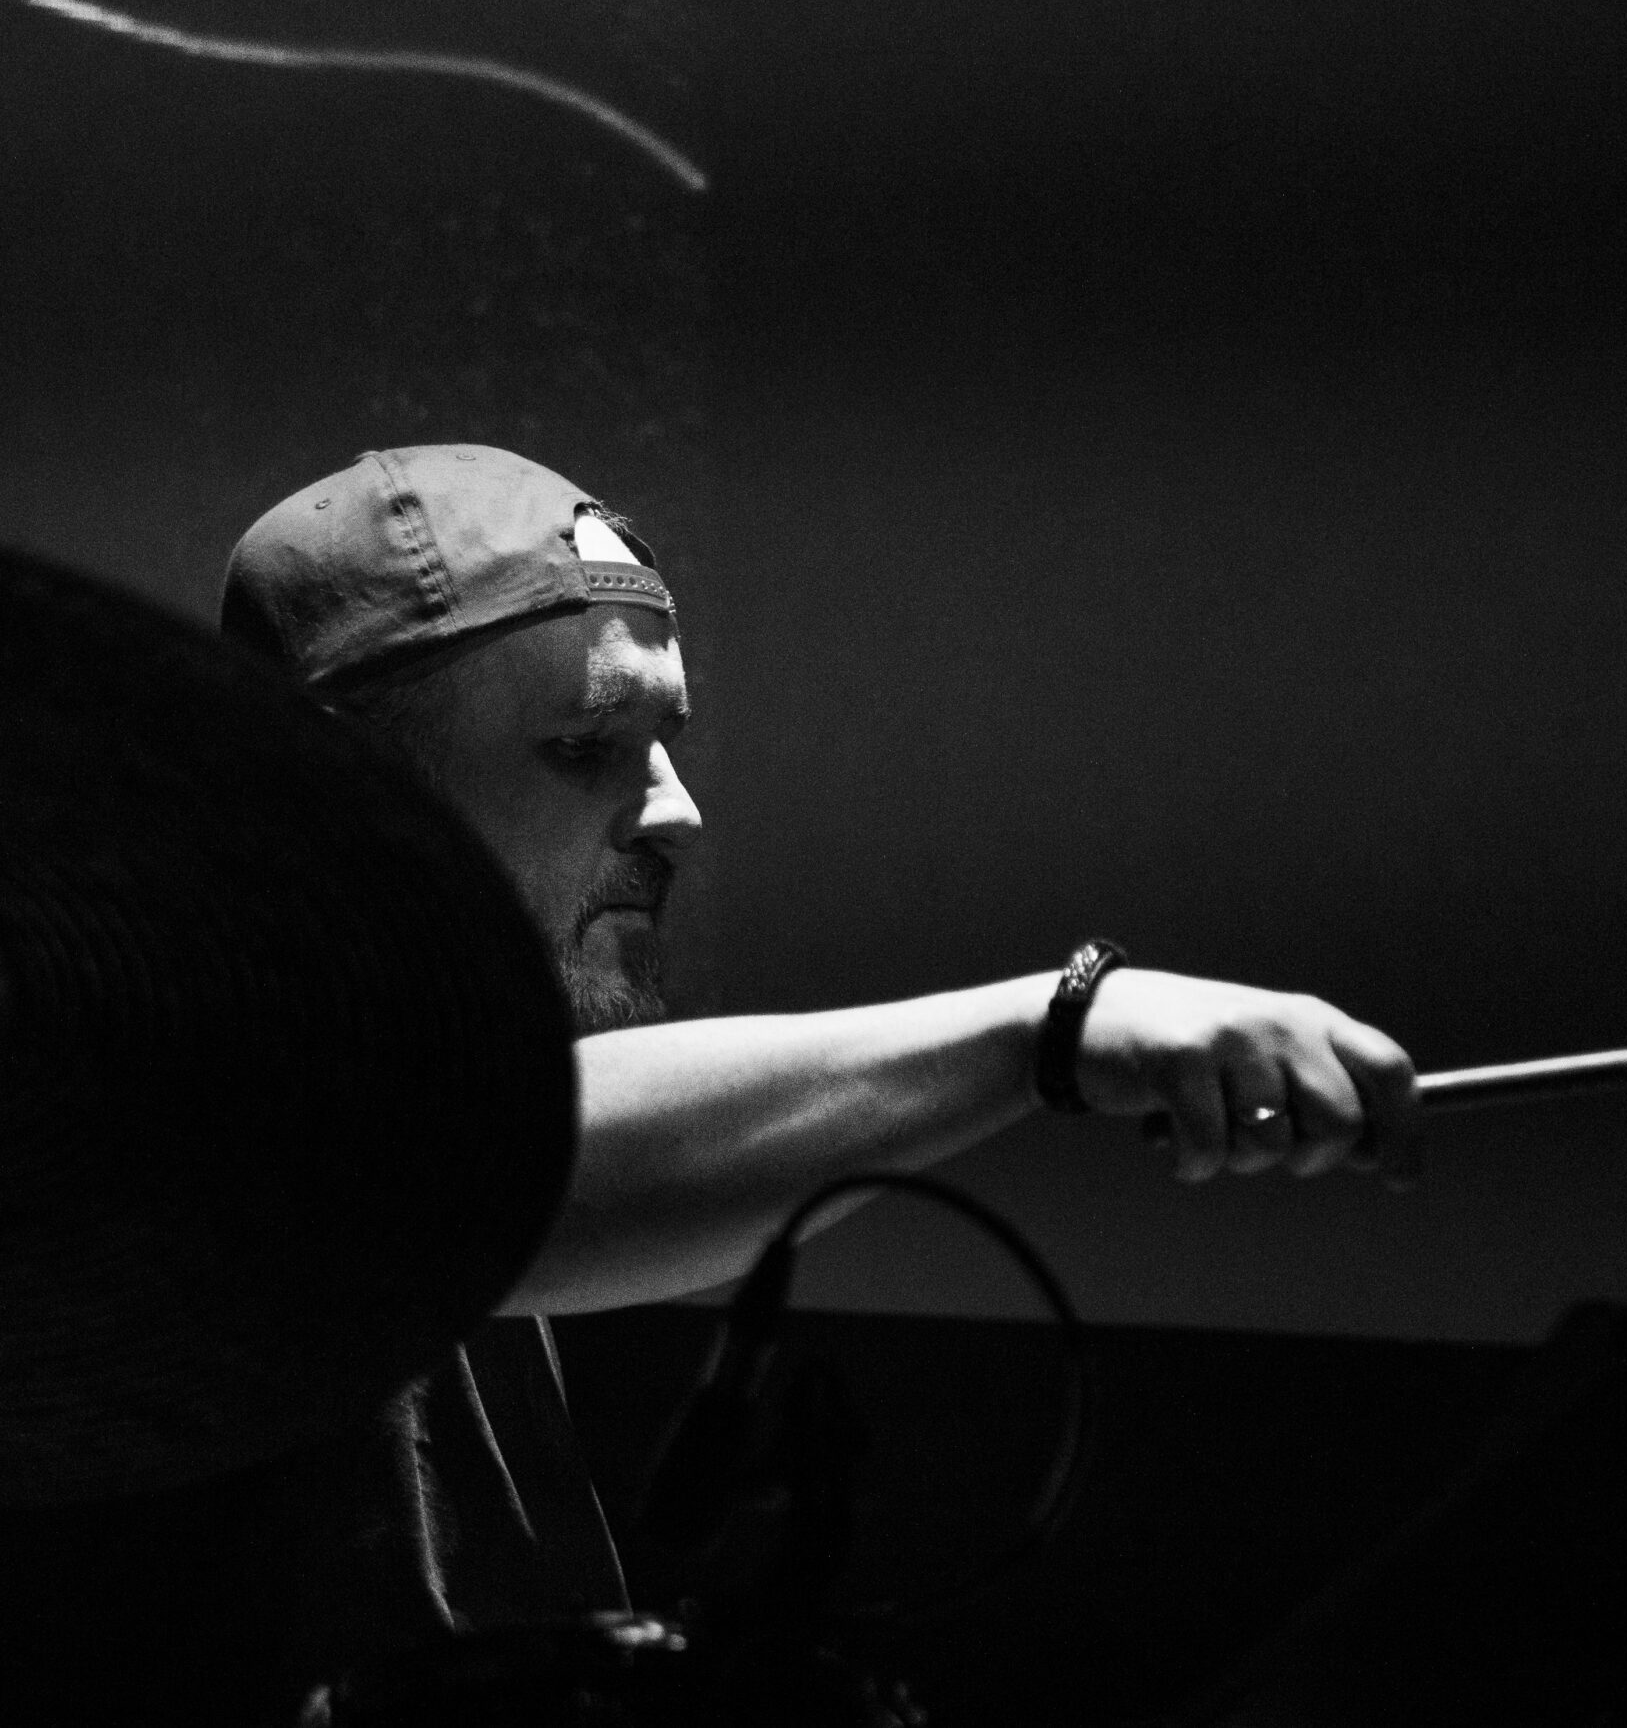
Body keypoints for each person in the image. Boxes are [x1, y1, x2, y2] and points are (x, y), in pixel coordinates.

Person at [216, 443, 1420, 1687]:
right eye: (582, 746)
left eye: (665, 741)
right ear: (336, 786)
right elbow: (490, 1170)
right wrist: (1057, 1025)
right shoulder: (192, 1077)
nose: (677, 812)